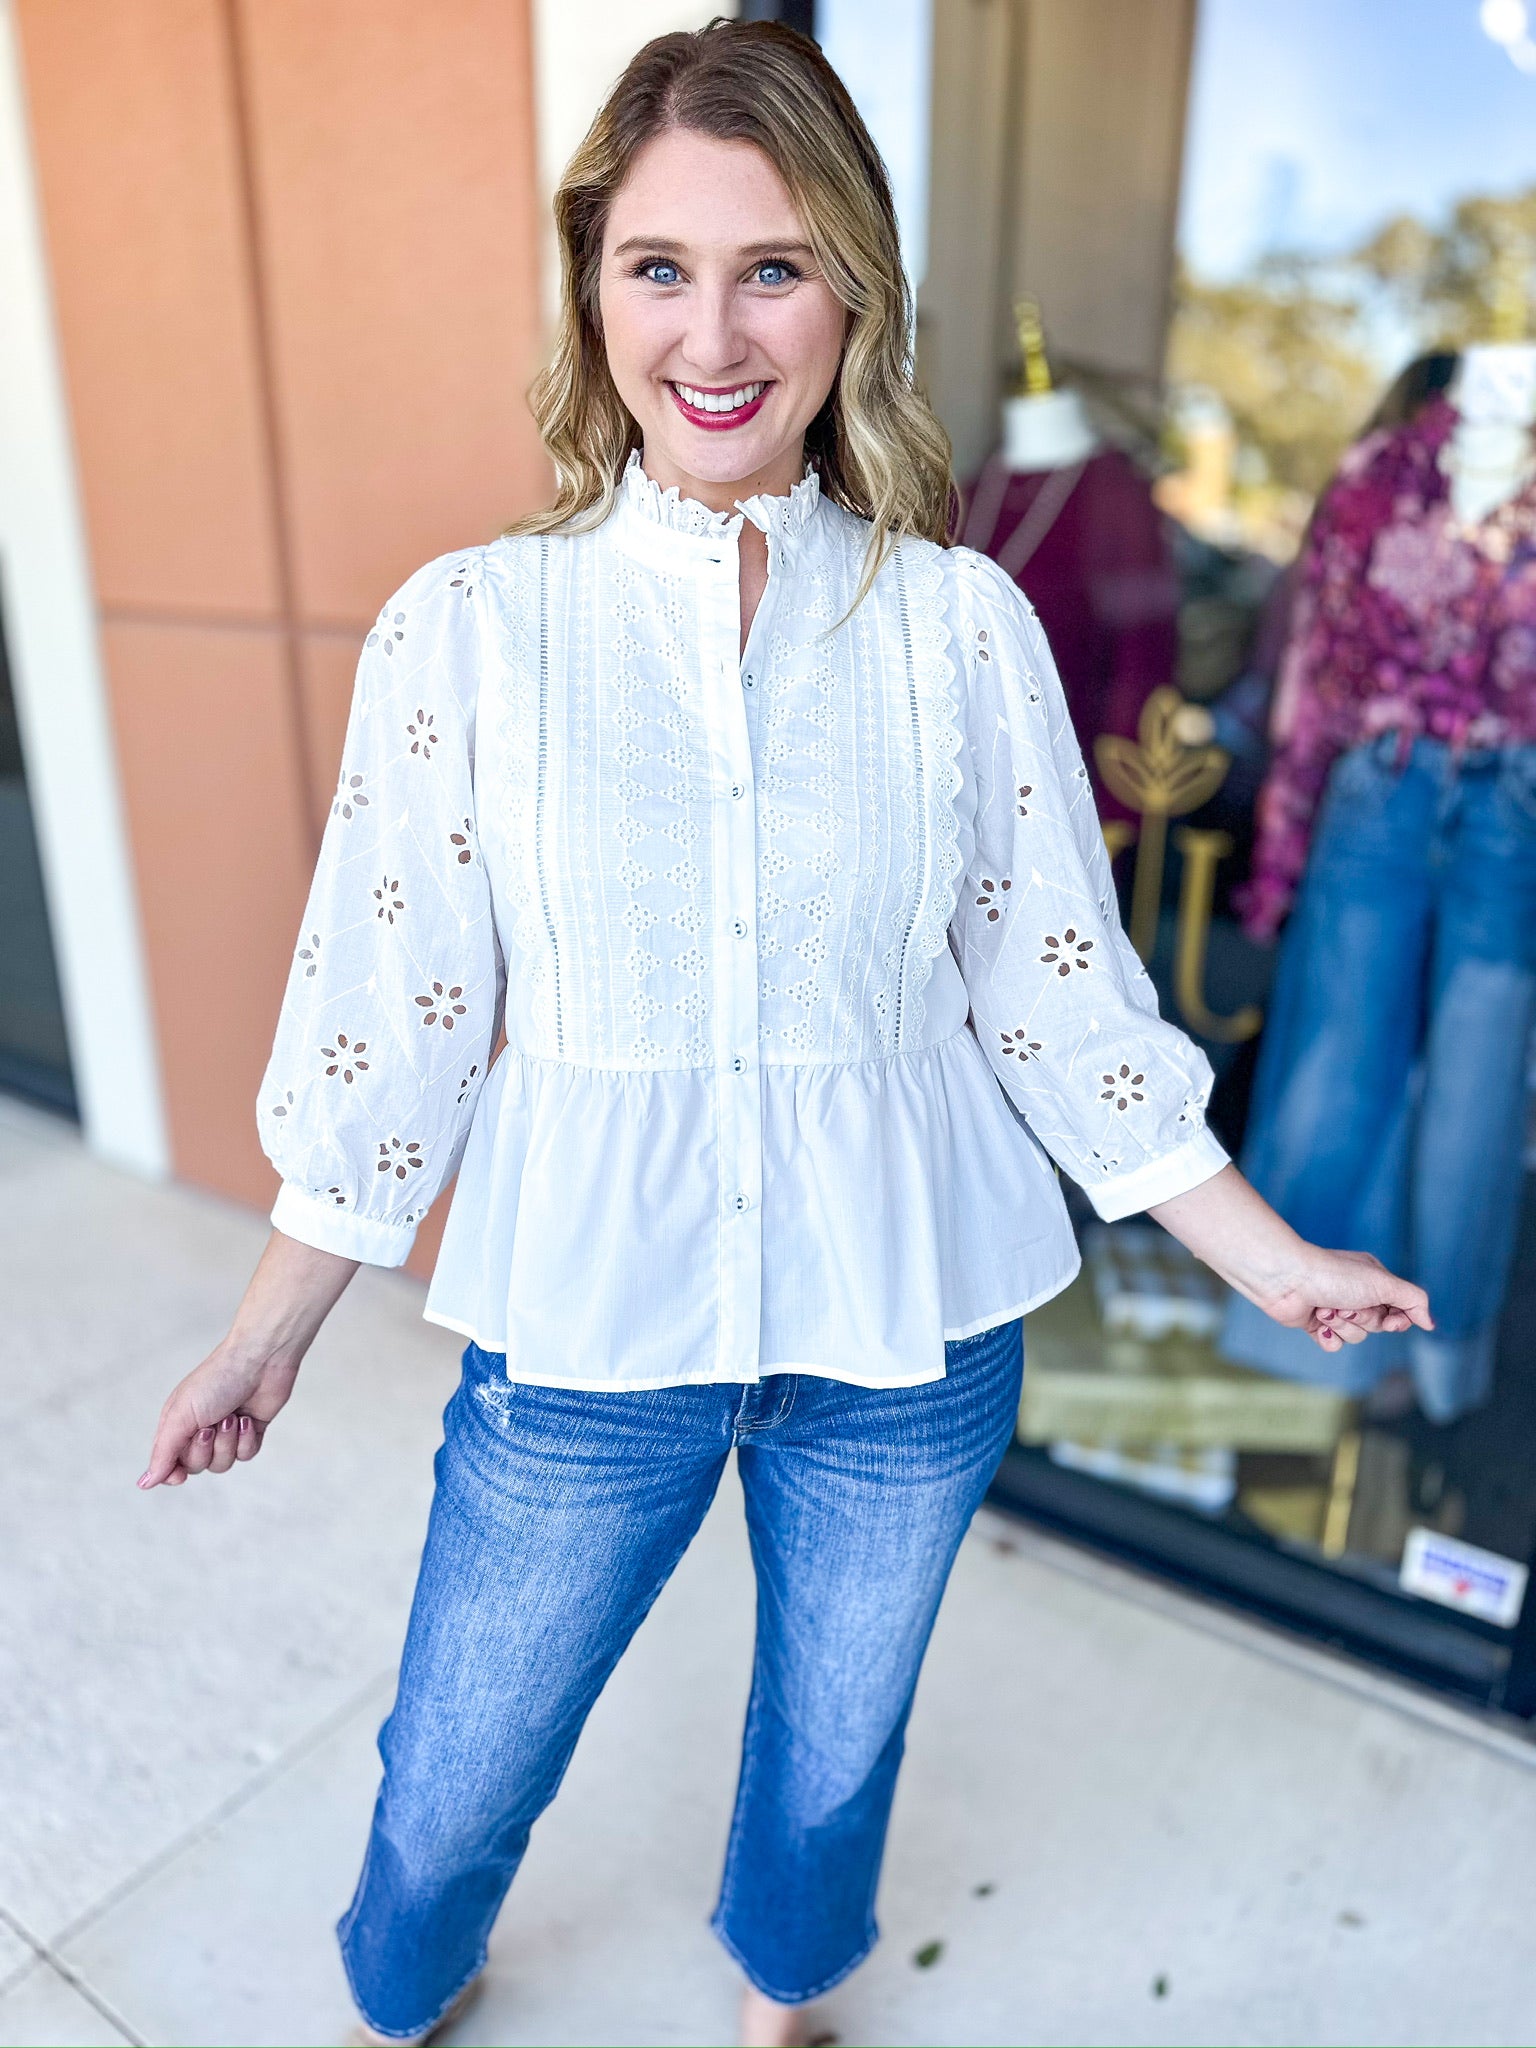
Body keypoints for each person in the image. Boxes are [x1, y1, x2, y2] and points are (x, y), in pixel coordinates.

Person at [137, 22, 1431, 2047]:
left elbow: (1053, 993)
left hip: (906, 1337)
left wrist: (1269, 1257)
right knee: (462, 1746)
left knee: (838, 1734)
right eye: (659, 265)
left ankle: (786, 1976)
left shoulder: (956, 628)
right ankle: (399, 1978)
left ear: (853, 293)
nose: (714, 333)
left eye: (774, 266)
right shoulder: (472, 629)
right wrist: (266, 1329)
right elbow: (400, 1024)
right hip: (588, 1336)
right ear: (591, 285)